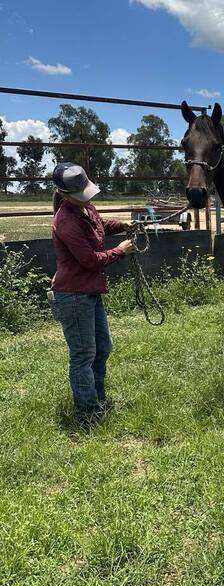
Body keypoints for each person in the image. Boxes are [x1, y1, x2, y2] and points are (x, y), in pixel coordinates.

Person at [50, 162, 136, 423]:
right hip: (73, 294)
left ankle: (97, 400)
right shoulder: (65, 221)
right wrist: (120, 250)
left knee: (102, 348)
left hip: (88, 291)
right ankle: (86, 413)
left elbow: (100, 224)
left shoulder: (85, 208)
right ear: (63, 194)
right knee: (83, 354)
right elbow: (89, 261)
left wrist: (122, 224)